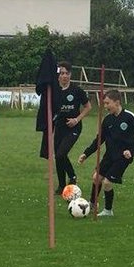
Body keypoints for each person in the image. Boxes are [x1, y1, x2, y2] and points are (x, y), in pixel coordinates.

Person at [77, 89, 134, 218]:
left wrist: (132, 151)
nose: (105, 106)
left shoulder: (129, 116)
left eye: (107, 103)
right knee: (96, 178)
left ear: (117, 102)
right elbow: (99, 139)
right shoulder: (108, 120)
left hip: (123, 157)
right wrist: (86, 154)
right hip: (109, 155)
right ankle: (92, 204)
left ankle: (108, 211)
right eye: (104, 103)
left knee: (107, 182)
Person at [39, 61, 91, 194]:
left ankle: (72, 177)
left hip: (74, 128)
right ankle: (61, 185)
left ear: (70, 74)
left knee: (62, 153)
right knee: (58, 156)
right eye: (62, 73)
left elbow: (88, 107)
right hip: (60, 127)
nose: (64, 76)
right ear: (58, 75)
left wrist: (76, 119)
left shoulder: (76, 90)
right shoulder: (54, 90)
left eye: (67, 73)